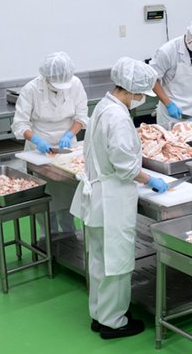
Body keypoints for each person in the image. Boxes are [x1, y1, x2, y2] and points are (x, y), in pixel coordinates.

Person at [70, 57, 168, 339]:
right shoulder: (119, 118)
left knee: (99, 260)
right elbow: (126, 167)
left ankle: (100, 314)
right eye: (142, 94)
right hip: (112, 199)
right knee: (117, 262)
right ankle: (114, 322)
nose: (142, 99)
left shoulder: (104, 106)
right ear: (132, 90)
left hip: (97, 196)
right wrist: (151, 180)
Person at [12, 52, 89, 237]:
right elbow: (20, 124)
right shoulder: (31, 89)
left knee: (69, 193)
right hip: (39, 149)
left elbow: (81, 116)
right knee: (46, 198)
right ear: (46, 78)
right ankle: (47, 237)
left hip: (67, 148)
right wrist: (36, 140)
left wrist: (70, 134)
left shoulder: (75, 84)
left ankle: (70, 235)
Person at [150, 17, 192, 123]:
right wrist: (168, 104)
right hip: (170, 114)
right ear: (189, 34)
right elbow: (152, 80)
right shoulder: (167, 51)